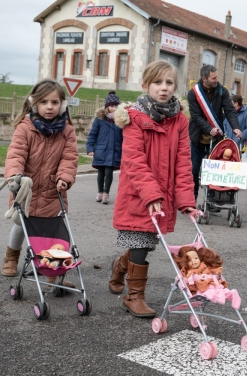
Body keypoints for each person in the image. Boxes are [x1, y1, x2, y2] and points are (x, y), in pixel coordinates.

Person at [109, 60, 196, 318]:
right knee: (140, 241)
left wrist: (186, 200)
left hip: (163, 194)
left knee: (146, 243)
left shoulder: (179, 120)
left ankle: (120, 265)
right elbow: (133, 161)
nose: (164, 88)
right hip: (138, 192)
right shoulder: (135, 118)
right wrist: (150, 194)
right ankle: (134, 296)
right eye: (158, 82)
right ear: (145, 85)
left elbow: (183, 162)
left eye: (169, 83)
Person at [0, 79, 78, 289]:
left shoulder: (67, 131)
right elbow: (15, 154)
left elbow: (69, 158)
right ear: (35, 104)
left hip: (54, 191)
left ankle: (52, 270)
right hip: (26, 190)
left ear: (62, 105)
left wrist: (65, 177)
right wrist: (16, 176)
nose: (49, 106)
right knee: (21, 226)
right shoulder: (25, 128)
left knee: (53, 233)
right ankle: (11, 257)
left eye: (54, 102)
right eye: (44, 102)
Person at [188, 64, 241, 201]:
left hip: (216, 138)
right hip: (198, 137)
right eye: (213, 78)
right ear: (204, 78)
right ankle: (192, 198)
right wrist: (208, 129)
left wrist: (235, 127)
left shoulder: (222, 91)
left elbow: (229, 110)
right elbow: (196, 116)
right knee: (194, 169)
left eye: (217, 77)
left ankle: (212, 197)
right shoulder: (193, 93)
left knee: (214, 170)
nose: (217, 80)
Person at [86, 90, 123, 205]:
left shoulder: (120, 120)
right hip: (101, 150)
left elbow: (125, 137)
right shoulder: (100, 119)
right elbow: (93, 134)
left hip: (114, 150)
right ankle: (100, 192)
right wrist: (90, 148)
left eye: (116, 106)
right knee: (101, 173)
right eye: (112, 106)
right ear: (107, 107)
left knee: (109, 172)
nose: (114, 108)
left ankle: (106, 193)